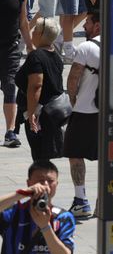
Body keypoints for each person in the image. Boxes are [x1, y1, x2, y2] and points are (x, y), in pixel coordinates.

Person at [0, 161, 75, 254]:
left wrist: (46, 227)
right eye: (40, 181)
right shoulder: (14, 213)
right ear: (29, 183)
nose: (45, 185)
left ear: (57, 184)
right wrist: (21, 193)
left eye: (50, 181)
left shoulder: (63, 218)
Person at [63, 10, 99, 221]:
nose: (84, 27)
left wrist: (74, 100)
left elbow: (73, 78)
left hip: (85, 110)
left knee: (75, 153)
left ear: (97, 26)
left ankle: (81, 201)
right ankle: (103, 203)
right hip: (111, 113)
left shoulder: (86, 47)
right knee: (110, 158)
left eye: (87, 23)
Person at [17, 17, 64, 160]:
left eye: (35, 30)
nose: (32, 32)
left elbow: (36, 86)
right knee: (44, 154)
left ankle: (42, 181)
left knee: (39, 156)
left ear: (41, 34)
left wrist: (31, 114)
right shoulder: (55, 56)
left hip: (39, 113)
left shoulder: (36, 57)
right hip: (50, 113)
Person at [0, 0, 30, 150]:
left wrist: (31, 46)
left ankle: (10, 132)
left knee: (11, 86)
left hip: (11, 49)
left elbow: (23, 23)